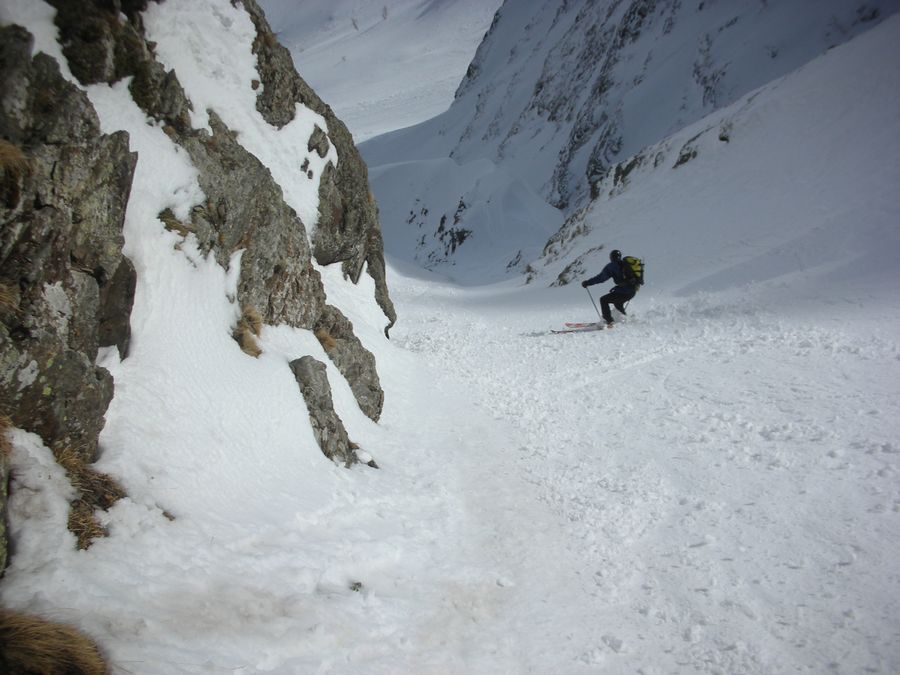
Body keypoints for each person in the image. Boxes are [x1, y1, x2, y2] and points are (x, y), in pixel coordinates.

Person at [581, 249, 638, 326]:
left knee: (603, 300)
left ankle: (609, 321)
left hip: (623, 292)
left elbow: (601, 278)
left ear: (611, 257)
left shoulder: (612, 266)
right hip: (632, 291)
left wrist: (588, 283)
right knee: (618, 303)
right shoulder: (626, 265)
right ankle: (625, 320)